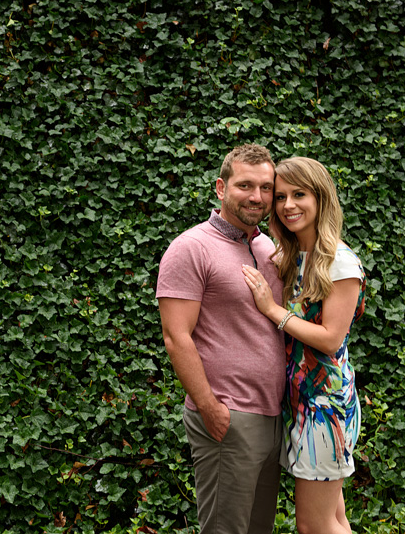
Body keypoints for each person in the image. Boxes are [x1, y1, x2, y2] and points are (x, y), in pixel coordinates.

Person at [156, 143, 287, 534]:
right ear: (220, 187)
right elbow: (176, 337)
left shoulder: (267, 247)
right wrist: (209, 407)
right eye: (245, 185)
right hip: (228, 416)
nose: (257, 197)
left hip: (274, 417)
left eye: (266, 188)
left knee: (259, 528)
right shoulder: (191, 248)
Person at [241, 156, 366, 534]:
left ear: (321, 198)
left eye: (300, 194)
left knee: (315, 526)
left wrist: (272, 310)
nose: (288, 204)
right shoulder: (296, 257)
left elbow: (330, 339)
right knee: (334, 519)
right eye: (280, 196)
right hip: (301, 403)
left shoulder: (339, 263)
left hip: (325, 409)